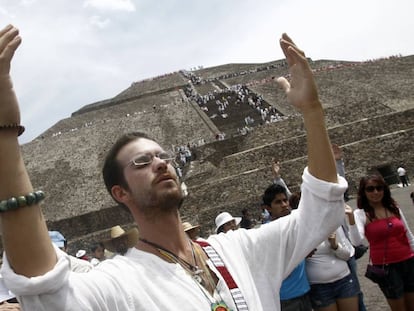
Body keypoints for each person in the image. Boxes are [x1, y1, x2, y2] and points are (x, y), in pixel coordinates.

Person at [0, 26, 347, 310]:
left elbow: (321, 212)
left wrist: (313, 112)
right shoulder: (120, 283)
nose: (161, 162)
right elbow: (46, 291)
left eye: (162, 155)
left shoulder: (241, 249)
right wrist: (6, 134)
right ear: (119, 193)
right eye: (142, 161)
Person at [349, 174, 414, 311]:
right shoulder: (360, 214)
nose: (376, 192)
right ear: (363, 192)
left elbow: (408, 235)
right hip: (387, 268)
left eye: (379, 188)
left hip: (408, 261)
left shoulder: (393, 208)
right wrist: (351, 221)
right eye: (370, 189)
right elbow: (357, 241)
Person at [262, 183, 312, 311]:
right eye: (278, 202)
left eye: (285, 200)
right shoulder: (266, 233)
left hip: (305, 291)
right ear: (268, 208)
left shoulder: (294, 223)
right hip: (286, 298)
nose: (284, 205)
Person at [306, 227, 359, 311]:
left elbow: (347, 255)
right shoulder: (300, 230)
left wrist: (335, 246)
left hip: (343, 280)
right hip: (319, 286)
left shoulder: (331, 225)